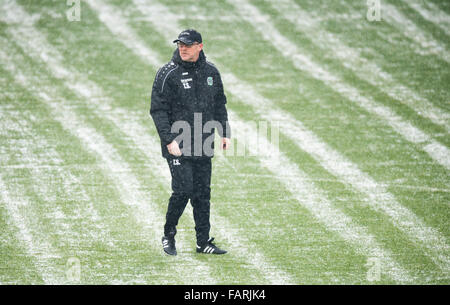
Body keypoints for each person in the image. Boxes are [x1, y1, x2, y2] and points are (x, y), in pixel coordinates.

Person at [150, 29, 231, 256]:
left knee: (202, 193)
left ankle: (203, 242)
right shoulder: (167, 74)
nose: (182, 48)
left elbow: (219, 104)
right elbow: (158, 111)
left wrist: (224, 132)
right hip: (177, 143)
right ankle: (169, 235)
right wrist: (169, 140)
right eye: (180, 45)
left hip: (203, 143)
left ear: (199, 46)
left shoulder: (211, 72)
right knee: (183, 190)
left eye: (187, 44)